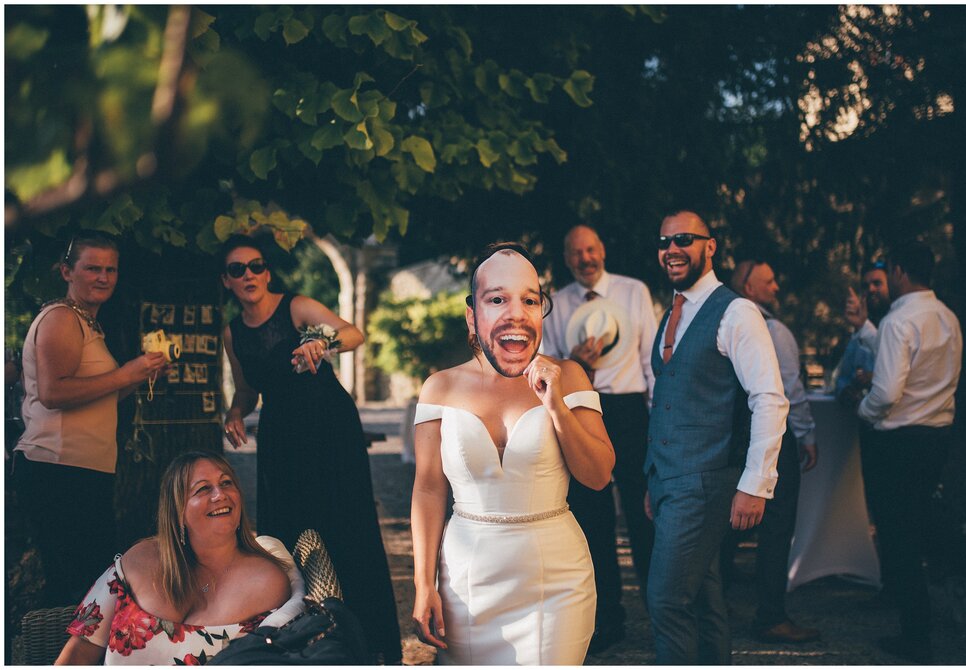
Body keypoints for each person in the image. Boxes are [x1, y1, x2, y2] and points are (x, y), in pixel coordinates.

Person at [410, 242, 615, 664]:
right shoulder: (439, 388)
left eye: (529, 299)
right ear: (473, 315)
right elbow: (429, 490)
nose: (516, 313)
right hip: (465, 582)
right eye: (497, 299)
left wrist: (555, 403)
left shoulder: (570, 376)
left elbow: (597, 477)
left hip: (556, 581)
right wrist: (423, 583)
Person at [219, 234, 401, 663]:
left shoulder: (295, 306)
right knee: (286, 536)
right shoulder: (233, 334)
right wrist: (233, 413)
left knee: (346, 526)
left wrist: (324, 342)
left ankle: (368, 644)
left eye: (257, 266)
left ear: (267, 272)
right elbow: (246, 392)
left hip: (329, 428)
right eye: (237, 269)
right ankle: (301, 642)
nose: (249, 275)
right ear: (225, 281)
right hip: (280, 436)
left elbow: (353, 333)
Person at [644, 211, 788, 664]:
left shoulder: (737, 311)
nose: (672, 249)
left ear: (711, 246)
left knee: (666, 602)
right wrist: (655, 481)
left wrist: (754, 484)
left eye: (684, 239)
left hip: (705, 483)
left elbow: (769, 399)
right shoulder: (671, 312)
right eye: (665, 241)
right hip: (669, 482)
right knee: (704, 599)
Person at [13, 234, 168, 606]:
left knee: (89, 587)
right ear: (67, 271)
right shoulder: (61, 318)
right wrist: (126, 373)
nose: (103, 277)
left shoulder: (89, 324)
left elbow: (99, 397)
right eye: (92, 268)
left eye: (110, 269)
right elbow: (53, 393)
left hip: (84, 469)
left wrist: (137, 378)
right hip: (57, 469)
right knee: (80, 590)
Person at [56, 451, 298, 665]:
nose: (220, 495)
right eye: (203, 488)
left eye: (226, 483)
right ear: (178, 512)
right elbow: (79, 653)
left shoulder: (266, 582)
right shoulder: (139, 561)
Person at [541, 224, 657, 653]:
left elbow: (650, 361)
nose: (585, 258)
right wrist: (574, 364)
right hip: (580, 410)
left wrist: (654, 421)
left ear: (602, 250)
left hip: (628, 410)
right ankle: (607, 619)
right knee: (593, 522)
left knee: (643, 515)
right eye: (576, 253)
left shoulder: (634, 291)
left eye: (591, 249)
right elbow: (550, 362)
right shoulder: (559, 303)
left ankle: (661, 612)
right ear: (568, 258)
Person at [856, 242, 962, 663]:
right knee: (915, 523)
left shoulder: (899, 320)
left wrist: (863, 411)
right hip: (937, 436)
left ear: (900, 271)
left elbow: (884, 393)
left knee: (898, 533)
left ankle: (916, 634)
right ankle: (911, 602)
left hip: (898, 440)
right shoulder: (948, 317)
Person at [730, 259, 820, 643]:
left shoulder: (724, 326)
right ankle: (771, 615)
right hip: (773, 439)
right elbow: (787, 392)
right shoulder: (774, 330)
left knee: (727, 526)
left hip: (731, 441)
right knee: (777, 529)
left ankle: (713, 606)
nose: (776, 288)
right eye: (769, 282)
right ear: (749, 288)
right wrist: (808, 434)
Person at [836, 261, 891, 408]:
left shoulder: (899, 324)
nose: (871, 289)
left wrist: (875, 379)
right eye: (866, 286)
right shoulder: (859, 332)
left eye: (877, 283)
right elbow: (841, 380)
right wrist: (849, 393)